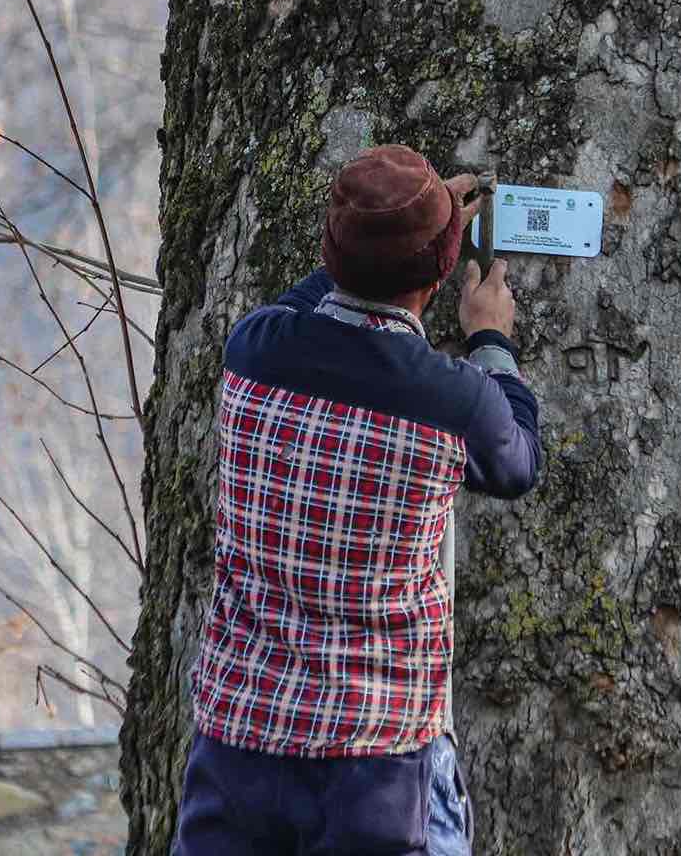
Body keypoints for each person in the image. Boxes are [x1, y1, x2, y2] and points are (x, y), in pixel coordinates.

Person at [175, 144, 544, 855]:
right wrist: (490, 337)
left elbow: (311, 298)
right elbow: (517, 461)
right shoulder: (453, 401)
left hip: (237, 743)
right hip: (374, 760)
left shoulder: (255, 350)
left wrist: (389, 230)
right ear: (441, 271)